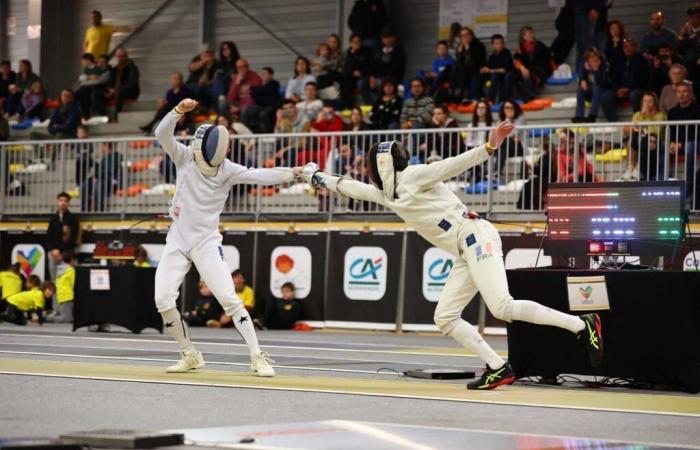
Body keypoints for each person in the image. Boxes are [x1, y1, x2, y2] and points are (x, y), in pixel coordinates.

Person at [299, 122, 604, 389]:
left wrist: (488, 146)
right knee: (445, 316)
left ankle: (582, 324)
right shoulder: (386, 194)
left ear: (381, 164)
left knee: (502, 306)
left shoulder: (416, 175)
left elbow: (453, 164)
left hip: (476, 237)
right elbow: (347, 186)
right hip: (464, 249)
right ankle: (498, 367)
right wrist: (315, 176)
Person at [153, 98, 303, 376]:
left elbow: (261, 175)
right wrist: (177, 112)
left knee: (230, 300)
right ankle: (190, 355)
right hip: (177, 240)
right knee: (162, 299)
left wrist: (295, 173)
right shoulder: (184, 156)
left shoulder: (227, 170)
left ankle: (257, 357)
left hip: (206, 243)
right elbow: (161, 133)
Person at [602, 38, 649, 121]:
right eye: (625, 46)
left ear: (635, 47)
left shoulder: (642, 60)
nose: (628, 49)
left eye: (631, 46)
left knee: (634, 95)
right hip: (619, 90)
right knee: (606, 96)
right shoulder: (617, 60)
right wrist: (617, 89)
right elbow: (612, 77)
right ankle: (614, 123)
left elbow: (643, 79)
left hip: (635, 89)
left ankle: (637, 121)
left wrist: (628, 89)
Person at [46, 192, 79, 306]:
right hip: (53, 254)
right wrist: (52, 250)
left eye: (65, 201)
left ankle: (66, 309)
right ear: (57, 202)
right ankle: (56, 310)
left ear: (68, 203)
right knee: (54, 283)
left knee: (65, 283)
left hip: (66, 255)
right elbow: (48, 237)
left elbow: (72, 239)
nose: (63, 203)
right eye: (61, 200)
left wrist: (59, 250)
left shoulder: (73, 219)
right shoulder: (53, 219)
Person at [667, 82, 700, 197]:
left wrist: (680, 144)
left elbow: (696, 132)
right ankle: (665, 181)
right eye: (679, 92)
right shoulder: (672, 112)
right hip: (679, 144)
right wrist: (671, 143)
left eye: (685, 91)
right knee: (660, 146)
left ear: (690, 94)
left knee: (690, 146)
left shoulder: (698, 109)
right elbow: (671, 131)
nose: (681, 94)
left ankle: (689, 184)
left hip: (695, 142)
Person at [626, 91, 666, 181]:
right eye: (645, 101)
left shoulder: (660, 116)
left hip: (656, 142)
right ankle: (631, 167)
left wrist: (643, 126)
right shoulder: (637, 114)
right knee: (633, 139)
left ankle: (638, 168)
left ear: (655, 103)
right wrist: (642, 117)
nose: (647, 104)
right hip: (639, 140)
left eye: (650, 101)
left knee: (644, 139)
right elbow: (634, 128)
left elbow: (655, 131)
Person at [364, 29, 406, 102]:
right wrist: (372, 76)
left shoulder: (399, 51)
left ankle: (381, 102)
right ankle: (370, 104)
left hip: (392, 77)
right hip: (378, 76)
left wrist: (381, 73)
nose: (387, 40)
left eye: (390, 37)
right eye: (385, 38)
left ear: (394, 38)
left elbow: (396, 69)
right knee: (363, 83)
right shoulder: (379, 50)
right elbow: (373, 65)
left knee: (382, 83)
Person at [512, 26, 553, 102]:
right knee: (514, 76)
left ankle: (529, 97)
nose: (532, 35)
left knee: (529, 75)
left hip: (539, 70)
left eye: (533, 33)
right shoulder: (520, 49)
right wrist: (522, 68)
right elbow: (516, 60)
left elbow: (549, 57)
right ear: (524, 36)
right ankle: (521, 96)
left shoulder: (539, 45)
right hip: (527, 70)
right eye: (530, 34)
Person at [100, 47, 140, 121]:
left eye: (122, 56)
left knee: (120, 92)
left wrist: (116, 89)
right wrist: (110, 89)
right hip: (116, 91)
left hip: (130, 91)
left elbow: (132, 83)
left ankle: (116, 115)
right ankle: (105, 117)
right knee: (97, 94)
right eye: (119, 56)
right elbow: (110, 82)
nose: (121, 58)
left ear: (126, 56)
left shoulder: (132, 68)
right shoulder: (115, 69)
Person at [573, 47, 611, 123]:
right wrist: (582, 81)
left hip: (604, 90)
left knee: (596, 87)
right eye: (591, 57)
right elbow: (581, 76)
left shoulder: (604, 65)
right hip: (591, 92)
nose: (594, 59)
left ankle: (592, 116)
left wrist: (596, 70)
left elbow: (604, 82)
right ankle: (579, 116)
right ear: (587, 60)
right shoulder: (585, 66)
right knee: (581, 89)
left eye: (595, 56)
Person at [450, 26, 487, 103]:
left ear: (471, 35)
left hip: (477, 69)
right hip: (465, 71)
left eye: (466, 35)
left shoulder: (479, 45)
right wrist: (460, 52)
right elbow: (458, 62)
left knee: (474, 76)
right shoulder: (460, 47)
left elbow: (472, 62)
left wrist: (467, 49)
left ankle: (473, 98)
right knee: (455, 69)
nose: (464, 37)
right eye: (462, 36)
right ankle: (457, 95)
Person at [274, 100, 311, 167]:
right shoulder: (284, 121)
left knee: (291, 151)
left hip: (302, 146)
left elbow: (302, 141)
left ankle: (288, 172)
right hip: (289, 147)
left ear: (295, 109)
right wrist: (278, 120)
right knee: (278, 144)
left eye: (290, 107)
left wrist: (286, 149)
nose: (288, 110)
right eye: (285, 108)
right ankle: (275, 169)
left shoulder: (305, 121)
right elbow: (277, 137)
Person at [45, 251, 76, 323]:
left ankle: (48, 316)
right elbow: (74, 285)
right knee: (67, 319)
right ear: (72, 260)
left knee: (69, 317)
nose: (75, 263)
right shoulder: (71, 270)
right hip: (68, 297)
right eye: (75, 261)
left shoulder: (59, 269)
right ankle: (46, 318)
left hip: (61, 296)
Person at [249, 66, 282, 133]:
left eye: (265, 73)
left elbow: (266, 91)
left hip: (273, 106)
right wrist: (256, 90)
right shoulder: (260, 85)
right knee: (252, 111)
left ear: (270, 75)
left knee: (263, 114)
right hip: (262, 106)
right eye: (261, 73)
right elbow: (256, 98)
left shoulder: (274, 83)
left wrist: (254, 89)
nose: (262, 75)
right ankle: (255, 132)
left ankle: (267, 133)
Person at [482, 34, 513, 104]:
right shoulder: (492, 56)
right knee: (493, 77)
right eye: (497, 43)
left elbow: (506, 69)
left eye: (501, 43)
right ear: (492, 45)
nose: (499, 45)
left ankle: (505, 100)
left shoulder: (506, 53)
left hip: (507, 75)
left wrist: (491, 70)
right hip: (497, 76)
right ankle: (491, 100)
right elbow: (489, 67)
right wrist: (484, 69)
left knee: (507, 76)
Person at [212, 41, 240, 107]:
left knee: (219, 82)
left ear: (232, 49)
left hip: (233, 83)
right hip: (222, 84)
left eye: (227, 49)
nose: (225, 51)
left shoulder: (238, 61)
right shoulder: (220, 63)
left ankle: (221, 98)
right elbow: (216, 76)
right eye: (223, 49)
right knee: (218, 81)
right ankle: (221, 97)